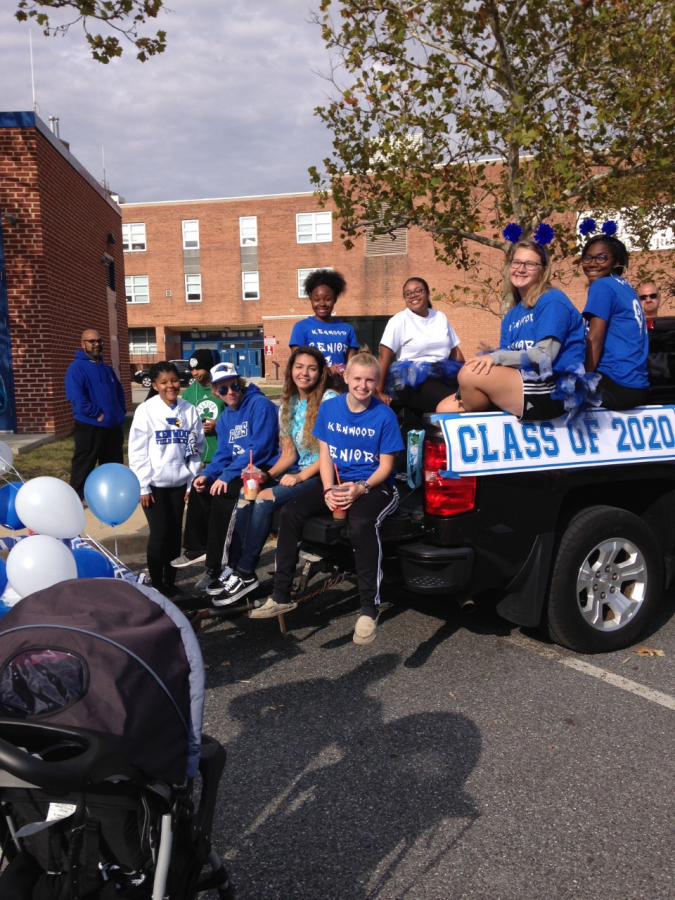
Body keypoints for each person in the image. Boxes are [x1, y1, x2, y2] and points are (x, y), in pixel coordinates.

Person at [249, 349, 404, 646]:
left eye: (370, 380)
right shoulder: (331, 410)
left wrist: (362, 488)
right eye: (357, 378)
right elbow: (326, 454)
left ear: (377, 381)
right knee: (291, 512)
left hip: (374, 487)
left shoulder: (384, 415)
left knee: (362, 524)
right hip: (338, 481)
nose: (363, 385)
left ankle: (369, 609)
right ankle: (281, 595)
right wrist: (328, 491)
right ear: (345, 377)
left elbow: (386, 466)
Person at [208, 346, 339, 605]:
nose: (305, 373)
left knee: (265, 498)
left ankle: (247, 571)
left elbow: (332, 453)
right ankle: (234, 568)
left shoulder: (330, 399)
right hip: (293, 471)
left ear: (320, 372)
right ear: (291, 370)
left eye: (312, 368)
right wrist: (267, 474)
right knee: (248, 494)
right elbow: (289, 454)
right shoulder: (287, 404)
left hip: (318, 474)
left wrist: (300, 477)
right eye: (299, 366)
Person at [437, 239, 586, 419]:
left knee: (469, 375)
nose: (521, 269)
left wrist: (494, 358)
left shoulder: (552, 300)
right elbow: (508, 360)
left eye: (530, 264)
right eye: (517, 262)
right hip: (522, 380)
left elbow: (543, 357)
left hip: (553, 387)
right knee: (444, 408)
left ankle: (492, 415)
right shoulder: (511, 316)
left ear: (543, 270)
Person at [172, 362, 280, 593]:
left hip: (263, 470)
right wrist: (207, 474)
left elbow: (260, 449)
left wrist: (227, 475)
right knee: (201, 486)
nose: (230, 392)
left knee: (223, 493)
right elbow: (222, 454)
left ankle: (218, 566)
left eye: (234, 386)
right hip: (239, 470)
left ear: (240, 384)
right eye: (222, 389)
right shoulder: (225, 418)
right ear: (215, 392)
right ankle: (197, 548)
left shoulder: (260, 405)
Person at [128, 361, 205, 598]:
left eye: (173, 380)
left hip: (179, 485)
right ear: (155, 384)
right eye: (164, 382)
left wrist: (191, 482)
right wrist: (143, 486)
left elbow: (196, 447)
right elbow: (137, 451)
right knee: (160, 534)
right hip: (153, 487)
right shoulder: (146, 410)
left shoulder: (188, 410)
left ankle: (171, 583)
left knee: (174, 535)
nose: (170, 386)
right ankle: (157, 585)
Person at [377, 276, 465, 415]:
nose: (413, 295)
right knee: (456, 402)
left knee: (475, 395)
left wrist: (467, 375)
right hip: (413, 380)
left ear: (427, 293)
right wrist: (378, 392)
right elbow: (384, 356)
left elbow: (456, 354)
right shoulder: (399, 320)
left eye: (418, 290)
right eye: (408, 293)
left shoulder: (440, 317)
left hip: (443, 374)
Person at [582, 234, 649, 409]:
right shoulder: (625, 286)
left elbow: (595, 339)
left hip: (615, 384)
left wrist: (582, 382)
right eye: (587, 257)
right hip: (636, 385)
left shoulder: (602, 286)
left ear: (616, 261)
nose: (592, 263)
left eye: (601, 257)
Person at [65, 329, 126, 499]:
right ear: (82, 344)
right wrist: (97, 414)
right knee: (83, 464)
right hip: (90, 425)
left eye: (99, 341)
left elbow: (119, 392)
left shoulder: (106, 368)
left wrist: (119, 413)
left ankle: (111, 498)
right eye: (92, 341)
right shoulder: (76, 368)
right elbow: (76, 397)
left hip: (113, 426)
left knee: (113, 466)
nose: (96, 344)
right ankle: (75, 499)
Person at [289, 270, 359, 376]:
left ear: (335, 299)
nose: (322, 304)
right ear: (311, 299)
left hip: (340, 388)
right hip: (313, 389)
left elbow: (352, 366)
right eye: (316, 299)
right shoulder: (301, 327)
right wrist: (327, 371)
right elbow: (298, 364)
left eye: (327, 299)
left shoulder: (347, 330)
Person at [182, 349, 225, 465]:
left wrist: (218, 425)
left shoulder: (224, 389)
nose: (195, 373)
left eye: (198, 369)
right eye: (192, 370)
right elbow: (180, 422)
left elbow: (237, 418)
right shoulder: (188, 393)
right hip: (197, 459)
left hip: (223, 456)